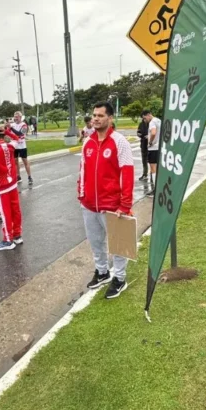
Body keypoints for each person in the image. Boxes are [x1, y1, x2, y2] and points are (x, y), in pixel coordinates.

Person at [78, 102, 134, 299]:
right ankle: (102, 272)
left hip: (112, 206)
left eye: (100, 115)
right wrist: (81, 195)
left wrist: (125, 205)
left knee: (119, 243)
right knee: (96, 243)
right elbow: (83, 171)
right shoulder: (88, 142)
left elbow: (127, 174)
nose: (95, 119)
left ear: (110, 118)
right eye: (94, 115)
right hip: (89, 205)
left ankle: (120, 278)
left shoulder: (119, 142)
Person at [0, 127, 23, 251]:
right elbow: (18, 138)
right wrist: (7, 132)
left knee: (5, 214)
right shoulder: (10, 146)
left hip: (1, 187)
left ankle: (8, 240)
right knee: (15, 210)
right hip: (12, 184)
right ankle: (17, 235)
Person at [8, 111, 33, 185]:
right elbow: (8, 133)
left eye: (17, 117)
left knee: (25, 161)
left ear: (20, 117)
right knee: (15, 161)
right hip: (14, 146)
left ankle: (29, 177)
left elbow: (20, 133)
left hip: (22, 146)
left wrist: (11, 128)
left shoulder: (24, 125)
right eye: (14, 117)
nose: (15, 118)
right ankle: (18, 176)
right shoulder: (12, 125)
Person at [144, 110, 162, 196]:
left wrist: (150, 141)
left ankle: (156, 189)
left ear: (148, 115)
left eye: (144, 118)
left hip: (153, 148)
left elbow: (154, 132)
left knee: (153, 169)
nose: (145, 120)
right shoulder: (159, 120)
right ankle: (160, 187)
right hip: (160, 147)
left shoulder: (152, 122)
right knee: (158, 168)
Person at [137, 112, 150, 181]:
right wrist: (140, 135)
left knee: (152, 161)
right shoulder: (141, 124)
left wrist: (149, 137)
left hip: (151, 145)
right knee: (144, 161)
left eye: (145, 118)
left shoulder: (151, 123)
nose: (144, 119)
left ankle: (153, 175)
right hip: (143, 144)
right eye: (143, 118)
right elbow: (138, 132)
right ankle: (145, 174)